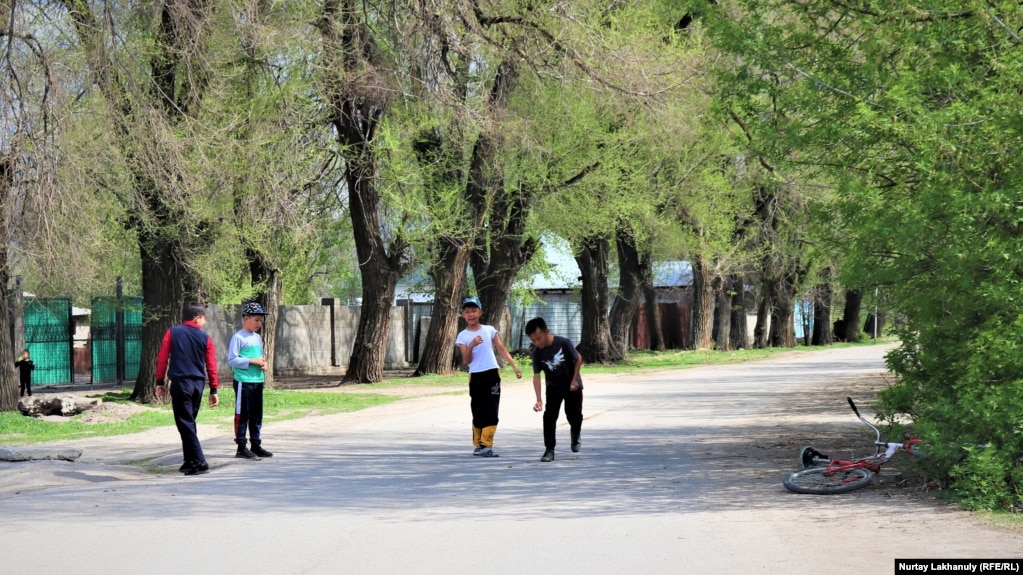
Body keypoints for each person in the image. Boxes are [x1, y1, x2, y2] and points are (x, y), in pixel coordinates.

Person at [155, 302, 220, 476]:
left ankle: (199, 461)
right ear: (197, 317)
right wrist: (214, 389)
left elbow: (162, 358)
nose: (204, 323)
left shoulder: (172, 332)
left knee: (185, 423)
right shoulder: (205, 338)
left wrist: (159, 381)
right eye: (204, 319)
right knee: (189, 422)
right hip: (198, 384)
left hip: (181, 383)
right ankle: (189, 460)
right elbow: (211, 365)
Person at [455, 296, 522, 457]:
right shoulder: (462, 336)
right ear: (463, 315)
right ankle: (478, 444)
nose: (471, 314)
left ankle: (487, 444)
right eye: (467, 312)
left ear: (480, 312)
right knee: (477, 409)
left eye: (474, 311)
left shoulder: (489, 330)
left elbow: (501, 349)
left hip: (492, 373)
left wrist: (514, 366)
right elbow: (467, 360)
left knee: (491, 408)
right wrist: (472, 344)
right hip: (475, 375)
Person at [525, 317, 584, 463]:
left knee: (573, 414)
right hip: (553, 386)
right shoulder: (536, 353)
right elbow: (537, 376)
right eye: (533, 340)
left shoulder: (563, 343)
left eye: (539, 338)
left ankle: (575, 432)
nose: (537, 343)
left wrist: (575, 379)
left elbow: (578, 358)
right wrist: (538, 399)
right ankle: (549, 449)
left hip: (571, 385)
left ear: (547, 332)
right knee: (549, 417)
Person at [227, 302, 273, 460]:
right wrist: (252, 361)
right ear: (246, 318)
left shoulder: (257, 338)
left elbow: (258, 357)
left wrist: (263, 363)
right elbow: (232, 360)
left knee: (256, 414)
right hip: (243, 381)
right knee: (242, 414)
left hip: (257, 380)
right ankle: (241, 447)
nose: (259, 323)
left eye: (261, 320)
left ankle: (256, 444)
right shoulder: (238, 337)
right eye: (256, 320)